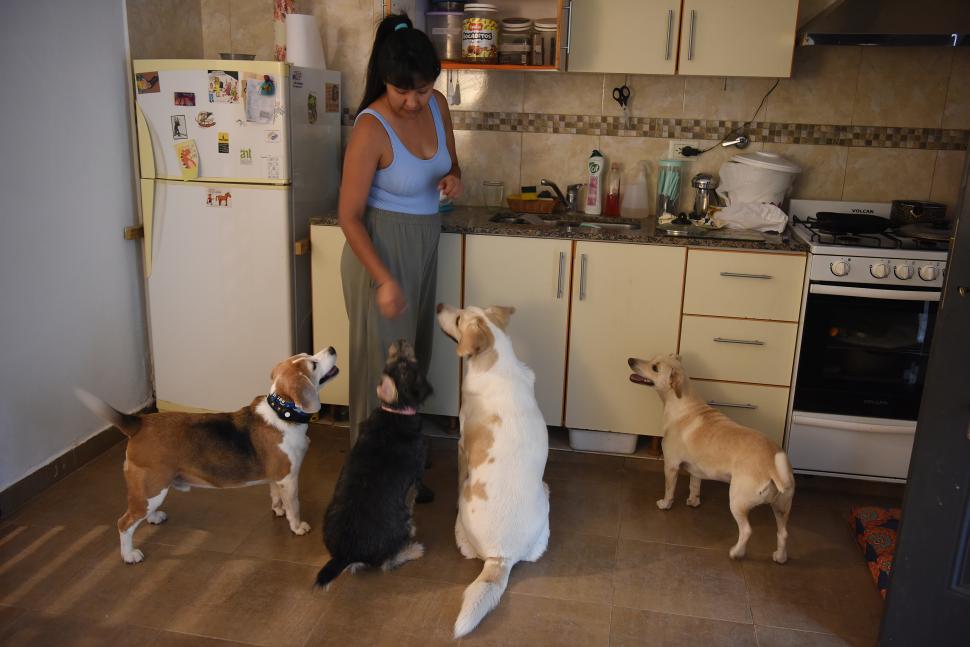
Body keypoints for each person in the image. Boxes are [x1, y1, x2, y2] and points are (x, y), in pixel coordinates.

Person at [338, 14, 462, 489]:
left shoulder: (438, 106)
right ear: (385, 81)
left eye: (423, 91)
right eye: (401, 92)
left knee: (415, 364)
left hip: (426, 239)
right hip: (379, 249)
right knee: (384, 370)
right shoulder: (371, 127)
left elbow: (453, 164)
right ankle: (372, 483)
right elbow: (349, 216)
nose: (413, 102)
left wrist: (454, 179)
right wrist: (385, 278)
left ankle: (403, 466)